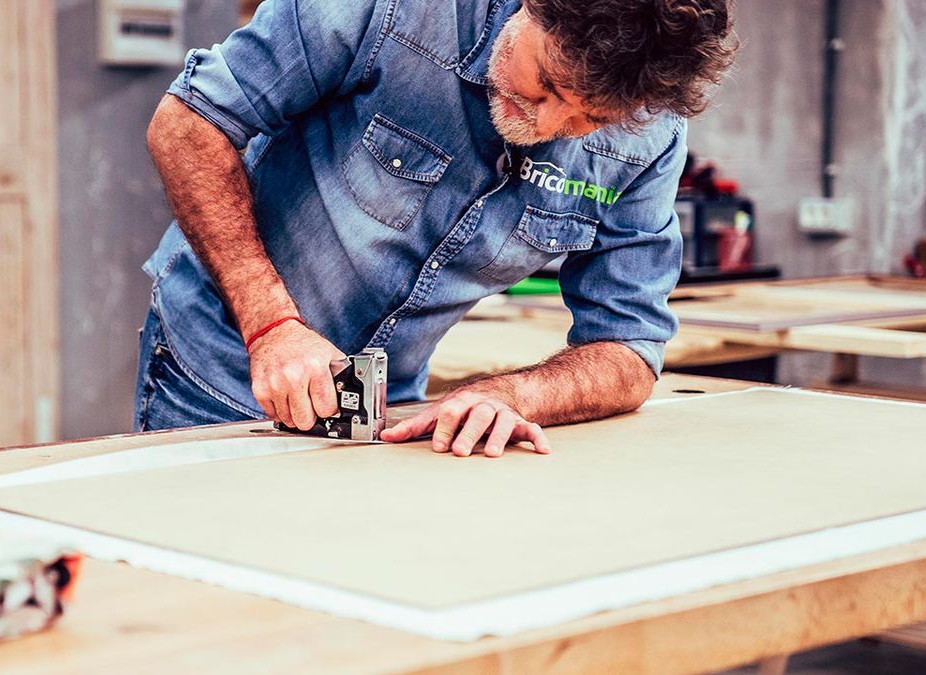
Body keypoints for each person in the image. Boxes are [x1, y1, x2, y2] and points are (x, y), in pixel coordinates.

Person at [134, 0, 736, 457]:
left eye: (593, 117)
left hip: (393, 405)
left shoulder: (650, 138)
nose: (552, 122)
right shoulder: (394, 11)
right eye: (548, 84)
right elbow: (188, 121)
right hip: (223, 368)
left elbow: (630, 346)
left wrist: (515, 395)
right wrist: (271, 325)